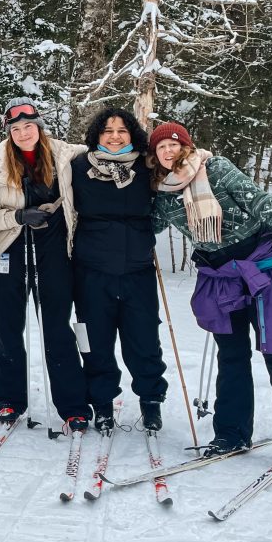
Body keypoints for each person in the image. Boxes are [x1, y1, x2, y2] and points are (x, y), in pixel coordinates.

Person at [148, 121, 272, 463]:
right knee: (232, 357)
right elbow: (143, 226)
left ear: (186, 146)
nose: (167, 151)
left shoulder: (217, 169)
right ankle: (231, 434)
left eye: (173, 145)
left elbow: (264, 205)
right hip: (219, 277)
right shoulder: (162, 193)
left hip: (260, 268)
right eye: (161, 147)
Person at [0, 97, 89, 431]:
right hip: (11, 249)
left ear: (38, 126)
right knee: (8, 329)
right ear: (9, 132)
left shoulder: (65, 154)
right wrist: (17, 215)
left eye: (29, 126)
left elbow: (104, 152)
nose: (24, 133)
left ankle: (72, 406)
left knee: (57, 329)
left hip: (53, 249)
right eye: (16, 128)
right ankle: (10, 401)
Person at [71, 108, 167, 433]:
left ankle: (151, 402)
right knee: (95, 343)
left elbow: (184, 159)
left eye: (122, 130)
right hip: (91, 271)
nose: (114, 136)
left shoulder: (147, 166)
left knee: (144, 342)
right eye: (107, 130)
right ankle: (102, 405)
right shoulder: (79, 167)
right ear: (96, 136)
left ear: (132, 135)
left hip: (138, 270)